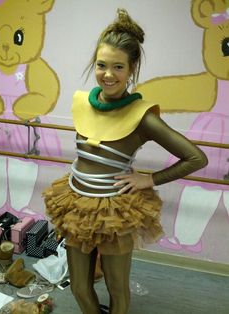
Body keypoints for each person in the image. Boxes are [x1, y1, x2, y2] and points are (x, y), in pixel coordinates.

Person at [43, 8, 208, 314]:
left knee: (117, 288)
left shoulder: (142, 115)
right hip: (77, 203)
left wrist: (150, 179)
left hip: (114, 210)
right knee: (79, 287)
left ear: (132, 69)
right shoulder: (81, 101)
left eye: (118, 67)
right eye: (102, 65)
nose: (108, 74)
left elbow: (196, 157)